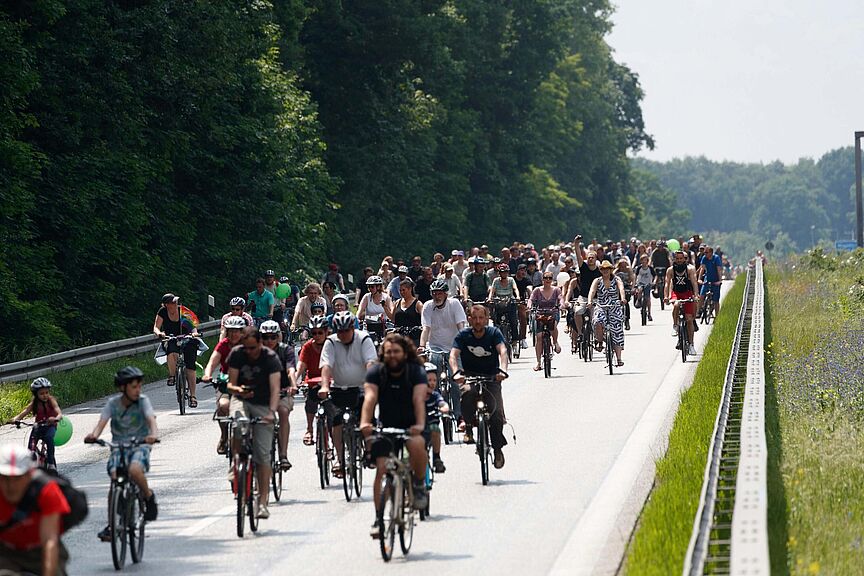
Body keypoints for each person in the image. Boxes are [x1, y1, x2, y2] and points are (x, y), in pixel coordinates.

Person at [361, 334, 429, 538]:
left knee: (416, 444)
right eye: (388, 351)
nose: (392, 355)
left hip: (412, 425)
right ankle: (378, 518)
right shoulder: (376, 372)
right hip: (386, 426)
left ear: (405, 352)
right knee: (381, 470)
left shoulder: (416, 372)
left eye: (396, 351)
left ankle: (417, 484)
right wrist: (365, 422)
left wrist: (419, 425)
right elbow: (370, 398)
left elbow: (418, 400)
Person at [85, 366, 159, 541]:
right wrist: (94, 436)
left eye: (139, 386)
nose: (137, 390)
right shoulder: (113, 404)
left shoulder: (143, 401)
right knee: (114, 476)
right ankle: (111, 525)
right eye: (133, 387)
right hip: (119, 446)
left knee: (134, 470)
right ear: (122, 387)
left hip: (140, 444)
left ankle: (148, 496)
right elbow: (101, 423)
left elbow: (151, 420)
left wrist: (153, 436)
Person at [225, 326, 280, 519]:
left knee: (263, 456)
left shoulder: (270, 358)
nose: (249, 352)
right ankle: (235, 464)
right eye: (246, 348)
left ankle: (263, 502)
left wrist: (272, 412)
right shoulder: (237, 354)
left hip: (263, 404)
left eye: (253, 348)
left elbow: (275, 389)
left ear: (260, 343)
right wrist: (239, 389)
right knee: (238, 423)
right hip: (241, 399)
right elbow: (230, 384)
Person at [318, 311, 378, 479]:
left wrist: (371, 383)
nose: (343, 335)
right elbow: (326, 366)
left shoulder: (363, 339)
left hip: (360, 387)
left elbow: (370, 362)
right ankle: (339, 459)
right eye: (339, 331)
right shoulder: (331, 341)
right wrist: (324, 386)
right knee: (336, 421)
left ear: (353, 328)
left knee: (367, 419)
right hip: (339, 388)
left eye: (346, 330)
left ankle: (369, 450)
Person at [449, 304, 509, 468]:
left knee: (496, 415)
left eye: (481, 318)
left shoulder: (493, 333)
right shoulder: (463, 335)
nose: (477, 321)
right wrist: (456, 373)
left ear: (486, 319)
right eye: (474, 318)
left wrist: (503, 370)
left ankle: (497, 449)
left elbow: (503, 351)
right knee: (467, 393)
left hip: (492, 377)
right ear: (469, 319)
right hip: (470, 376)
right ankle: (468, 427)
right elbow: (453, 355)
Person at [0, 444, 70, 576]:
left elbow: (49, 540)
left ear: (29, 475)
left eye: (17, 478)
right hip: (5, 550)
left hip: (39, 550)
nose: (11, 486)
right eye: (5, 478)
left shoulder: (46, 490)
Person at [419, 279, 467, 429]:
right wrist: (421, 346)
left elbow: (461, 325)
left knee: (455, 383)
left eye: (440, 293)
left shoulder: (454, 304)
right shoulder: (427, 306)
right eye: (434, 293)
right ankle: (436, 409)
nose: (437, 296)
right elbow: (426, 328)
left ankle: (460, 416)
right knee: (434, 380)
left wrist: (464, 343)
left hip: (454, 347)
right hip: (435, 347)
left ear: (446, 294)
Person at [202, 315, 246, 454]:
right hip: (225, 382)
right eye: (230, 331)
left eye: (237, 331)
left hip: (245, 384)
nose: (233, 334)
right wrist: (207, 375)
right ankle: (224, 436)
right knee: (223, 406)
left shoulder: (249, 345)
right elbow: (212, 361)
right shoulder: (223, 344)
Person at [260, 321, 298, 471]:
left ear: (279, 337)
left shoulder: (285, 350)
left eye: (273, 337)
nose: (269, 341)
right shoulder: (256, 351)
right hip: (261, 392)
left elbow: (291, 370)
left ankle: (283, 455)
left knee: (283, 411)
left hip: (283, 390)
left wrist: (293, 385)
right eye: (265, 337)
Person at [153, 293, 202, 408]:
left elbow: (192, 326)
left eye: (176, 302)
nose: (175, 304)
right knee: (171, 351)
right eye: (172, 302)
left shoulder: (183, 311)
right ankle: (172, 376)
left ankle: (193, 396)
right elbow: (156, 327)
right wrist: (159, 333)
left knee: (190, 366)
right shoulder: (162, 312)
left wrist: (194, 333)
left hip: (187, 337)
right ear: (166, 305)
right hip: (171, 338)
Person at [8, 378, 63, 470]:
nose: (45, 395)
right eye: (41, 393)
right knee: (31, 448)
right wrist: (15, 419)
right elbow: (25, 411)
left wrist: (55, 418)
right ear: (36, 394)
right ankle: (31, 466)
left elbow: (59, 413)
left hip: (50, 426)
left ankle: (50, 463)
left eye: (46, 392)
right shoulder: (35, 403)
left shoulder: (51, 400)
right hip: (38, 426)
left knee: (49, 439)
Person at [297, 316, 329, 447]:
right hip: (312, 382)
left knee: (333, 412)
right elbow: (301, 366)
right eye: (314, 333)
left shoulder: (332, 344)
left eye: (320, 332)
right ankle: (309, 429)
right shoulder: (308, 346)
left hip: (330, 382)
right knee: (310, 401)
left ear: (326, 332)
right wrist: (294, 380)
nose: (317, 336)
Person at [588, 261, 627, 366]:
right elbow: (592, 291)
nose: (605, 271)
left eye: (607, 269)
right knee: (597, 321)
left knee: (617, 331)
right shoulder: (597, 281)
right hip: (601, 306)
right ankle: (599, 341)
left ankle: (619, 358)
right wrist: (590, 301)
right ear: (600, 270)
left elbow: (621, 288)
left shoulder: (616, 279)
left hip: (614, 306)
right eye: (603, 269)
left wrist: (623, 298)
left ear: (610, 270)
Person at [665, 250, 700, 356]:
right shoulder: (670, 270)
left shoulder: (690, 269)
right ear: (674, 259)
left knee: (689, 319)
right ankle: (675, 326)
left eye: (681, 258)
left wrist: (696, 295)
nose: (679, 260)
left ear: (685, 259)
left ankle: (691, 345)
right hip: (676, 293)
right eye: (677, 258)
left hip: (687, 293)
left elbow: (694, 282)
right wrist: (666, 296)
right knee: (676, 305)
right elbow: (667, 284)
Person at [530, 272, 564, 370]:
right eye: (546, 278)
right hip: (540, 314)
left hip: (553, 313)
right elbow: (531, 299)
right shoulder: (537, 290)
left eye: (550, 278)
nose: (548, 280)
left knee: (553, 325)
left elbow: (560, 298)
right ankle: (538, 362)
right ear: (542, 279)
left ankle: (555, 342)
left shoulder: (556, 290)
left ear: (552, 280)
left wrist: (561, 305)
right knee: (539, 336)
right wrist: (529, 306)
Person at [423, 362, 450, 474]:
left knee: (435, 429)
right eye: (429, 380)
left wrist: (444, 408)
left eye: (434, 380)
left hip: (430, 428)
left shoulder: (435, 395)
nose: (432, 383)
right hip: (417, 429)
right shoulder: (415, 395)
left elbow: (443, 404)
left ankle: (436, 458)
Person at [488, 263, 520, 347]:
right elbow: (492, 291)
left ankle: (515, 341)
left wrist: (517, 296)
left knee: (513, 321)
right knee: (496, 322)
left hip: (509, 301)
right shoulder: (496, 280)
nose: (504, 274)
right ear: (499, 273)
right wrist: (490, 298)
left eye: (505, 272)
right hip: (499, 302)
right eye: (502, 272)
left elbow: (515, 288)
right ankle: (496, 340)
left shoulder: (511, 280)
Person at [387, 277, 423, 346]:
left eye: (404, 290)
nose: (402, 292)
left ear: (410, 289)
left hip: (414, 339)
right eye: (400, 290)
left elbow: (424, 319)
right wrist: (385, 307)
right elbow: (393, 318)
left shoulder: (418, 304)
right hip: (399, 338)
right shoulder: (397, 302)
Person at [698, 245, 723, 315]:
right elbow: (702, 269)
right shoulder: (704, 258)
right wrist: (699, 279)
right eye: (704, 252)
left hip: (715, 280)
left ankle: (717, 316)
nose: (705, 254)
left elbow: (719, 270)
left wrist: (720, 280)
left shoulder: (716, 258)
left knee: (716, 300)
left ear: (711, 252)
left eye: (706, 252)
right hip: (707, 279)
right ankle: (698, 312)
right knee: (701, 296)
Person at [513, 264, 533, 349]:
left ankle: (523, 339)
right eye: (521, 270)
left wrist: (531, 297)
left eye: (525, 271)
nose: (523, 272)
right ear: (517, 271)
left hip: (521, 302)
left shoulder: (526, 280)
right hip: (511, 301)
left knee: (523, 318)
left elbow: (529, 288)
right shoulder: (512, 279)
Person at [633, 254, 657, 322]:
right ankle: (639, 300)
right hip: (640, 283)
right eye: (642, 261)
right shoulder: (638, 268)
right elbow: (635, 276)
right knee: (640, 290)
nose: (644, 263)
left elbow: (655, 276)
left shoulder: (650, 268)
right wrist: (634, 284)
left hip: (648, 284)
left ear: (647, 261)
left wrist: (654, 282)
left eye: (645, 261)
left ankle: (649, 313)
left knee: (648, 298)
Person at [614, 258, 635, 331]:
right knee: (616, 303)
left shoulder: (629, 270)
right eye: (621, 266)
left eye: (624, 266)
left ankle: (627, 320)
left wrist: (632, 288)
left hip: (626, 287)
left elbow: (633, 279)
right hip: (618, 288)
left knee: (626, 302)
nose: (623, 268)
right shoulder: (616, 271)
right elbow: (611, 278)